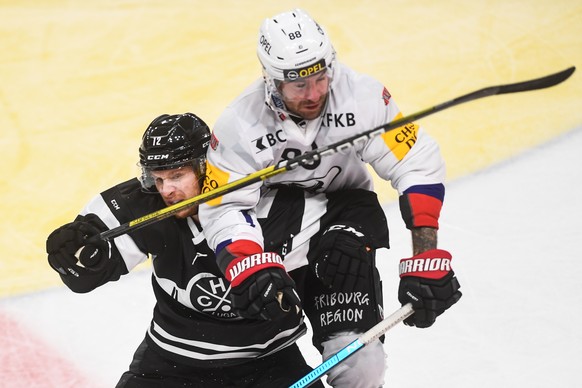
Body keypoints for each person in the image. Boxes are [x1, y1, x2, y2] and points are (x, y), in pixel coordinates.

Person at [199, 8, 462, 387]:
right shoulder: (240, 123)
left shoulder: (363, 97)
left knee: (362, 365)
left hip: (342, 226)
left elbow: (416, 163)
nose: (315, 93)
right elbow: (224, 206)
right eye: (299, 86)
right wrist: (249, 267)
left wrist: (425, 255)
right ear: (271, 80)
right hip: (269, 243)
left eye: (320, 77)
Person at [45, 113, 326, 388]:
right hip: (174, 362)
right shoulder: (145, 204)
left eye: (177, 176)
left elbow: (321, 281)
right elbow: (82, 277)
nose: (167, 190)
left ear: (206, 167)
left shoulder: (270, 202)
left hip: (269, 361)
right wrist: (71, 256)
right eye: (158, 179)